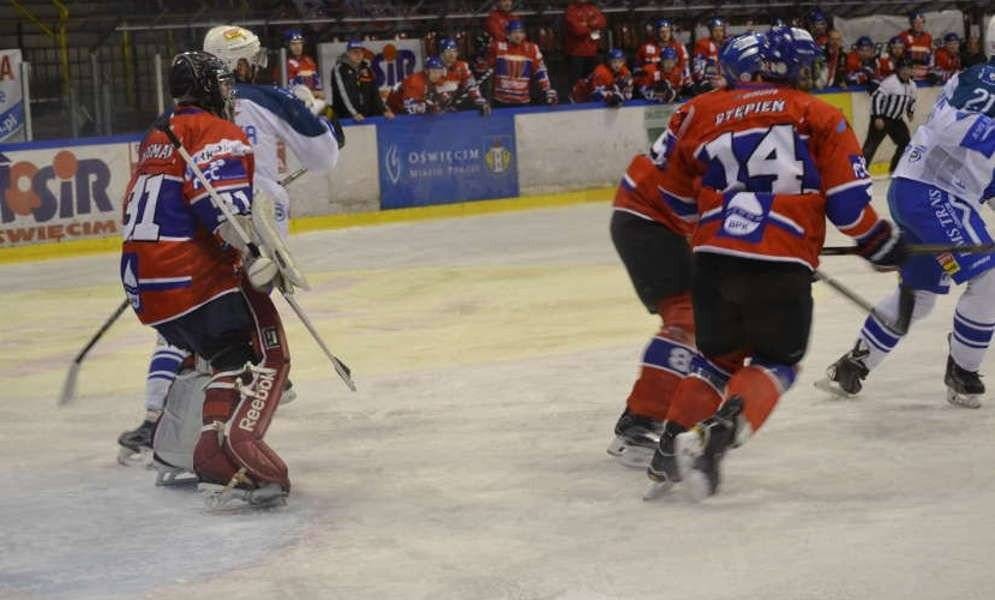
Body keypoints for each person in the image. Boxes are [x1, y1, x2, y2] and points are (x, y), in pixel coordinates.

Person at [642, 28, 905, 500]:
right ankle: (713, 438)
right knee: (777, 362)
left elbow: (675, 200)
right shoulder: (819, 114)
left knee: (715, 360)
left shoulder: (702, 110)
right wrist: (881, 244)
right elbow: (848, 206)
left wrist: (723, 226)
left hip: (713, 258)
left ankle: (668, 452)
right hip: (780, 261)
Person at [116, 27, 344, 463]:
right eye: (250, 59)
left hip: (185, 233)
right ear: (237, 63)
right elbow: (324, 156)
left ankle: (157, 420)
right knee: (239, 329)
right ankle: (236, 421)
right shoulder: (269, 98)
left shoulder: (172, 120)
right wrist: (322, 120)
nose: (253, 67)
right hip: (248, 226)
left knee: (186, 331)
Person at [120, 51, 295, 506]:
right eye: (222, 83)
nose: (228, 92)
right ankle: (224, 457)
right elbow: (222, 211)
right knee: (250, 354)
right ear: (207, 88)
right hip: (187, 275)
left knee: (201, 350)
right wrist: (256, 255)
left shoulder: (159, 135)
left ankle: (173, 450)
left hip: (142, 280)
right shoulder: (216, 132)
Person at [819, 35, 995, 409]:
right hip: (933, 193)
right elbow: (949, 125)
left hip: (925, 193)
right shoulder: (986, 79)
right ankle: (962, 370)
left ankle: (854, 364)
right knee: (990, 278)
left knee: (921, 295)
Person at [606, 152, 697, 467]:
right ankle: (640, 424)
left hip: (651, 213)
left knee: (700, 312)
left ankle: (639, 415)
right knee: (688, 315)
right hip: (649, 217)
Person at [863, 57, 916, 174]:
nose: (906, 71)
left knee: (905, 143)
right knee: (871, 146)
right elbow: (876, 98)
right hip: (882, 117)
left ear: (912, 70)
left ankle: (894, 169)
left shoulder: (912, 85)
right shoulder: (890, 82)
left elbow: (911, 100)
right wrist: (877, 117)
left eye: (908, 69)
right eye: (903, 69)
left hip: (897, 120)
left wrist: (910, 112)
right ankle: (860, 172)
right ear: (898, 70)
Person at [487, 20, 557, 107]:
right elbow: (485, 67)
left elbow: (540, 71)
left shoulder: (532, 49)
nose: (518, 35)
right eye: (514, 32)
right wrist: (483, 55)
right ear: (508, 34)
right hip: (500, 100)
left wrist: (547, 88)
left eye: (521, 32)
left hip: (523, 101)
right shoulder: (498, 47)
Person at [332, 40, 395, 121]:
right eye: (355, 52)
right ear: (348, 54)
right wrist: (354, 113)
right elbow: (342, 93)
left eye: (361, 52)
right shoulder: (340, 69)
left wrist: (384, 110)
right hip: (346, 118)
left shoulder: (367, 70)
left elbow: (375, 93)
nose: (359, 55)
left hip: (366, 118)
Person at [438, 37, 491, 115]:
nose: (452, 54)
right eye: (448, 51)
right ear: (441, 54)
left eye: (454, 51)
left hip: (455, 107)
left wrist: (478, 98)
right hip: (436, 110)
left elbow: (471, 84)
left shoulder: (462, 66)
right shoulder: (434, 68)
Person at [386, 57, 451, 115]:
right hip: (393, 112)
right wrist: (432, 107)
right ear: (426, 71)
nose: (437, 75)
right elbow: (410, 107)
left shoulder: (434, 78)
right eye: (434, 72)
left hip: (407, 105)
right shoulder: (415, 82)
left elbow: (446, 90)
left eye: (440, 72)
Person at [564, 1, 607, 86]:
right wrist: (592, 26)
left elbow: (602, 22)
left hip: (593, 52)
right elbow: (577, 30)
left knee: (592, 81)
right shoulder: (571, 10)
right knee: (576, 83)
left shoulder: (593, 8)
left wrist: (586, 24)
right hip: (576, 53)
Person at [284, 29, 324, 99]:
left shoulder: (308, 60)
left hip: (312, 98)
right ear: (287, 45)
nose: (297, 47)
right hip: (295, 99)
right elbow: (289, 88)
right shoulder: (284, 64)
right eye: (293, 44)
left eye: (300, 43)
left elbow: (317, 83)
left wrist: (318, 91)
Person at [691, 17, 727, 91]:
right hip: (710, 80)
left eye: (720, 30)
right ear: (711, 31)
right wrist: (704, 80)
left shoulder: (728, 44)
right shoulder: (703, 44)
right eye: (715, 31)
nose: (718, 33)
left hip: (727, 79)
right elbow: (698, 68)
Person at [897, 11, 933, 79]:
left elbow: (930, 56)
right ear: (911, 24)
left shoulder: (928, 37)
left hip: (923, 73)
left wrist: (930, 70)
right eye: (916, 22)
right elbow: (898, 56)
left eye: (921, 22)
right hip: (908, 74)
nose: (919, 25)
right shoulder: (903, 36)